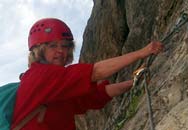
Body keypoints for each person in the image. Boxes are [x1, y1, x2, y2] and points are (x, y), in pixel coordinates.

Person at [11, 18, 163, 130]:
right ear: (38, 50)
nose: (61, 51)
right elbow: (95, 72)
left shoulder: (56, 88)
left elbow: (95, 95)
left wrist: (133, 82)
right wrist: (142, 52)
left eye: (65, 46)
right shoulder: (39, 76)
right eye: (52, 46)